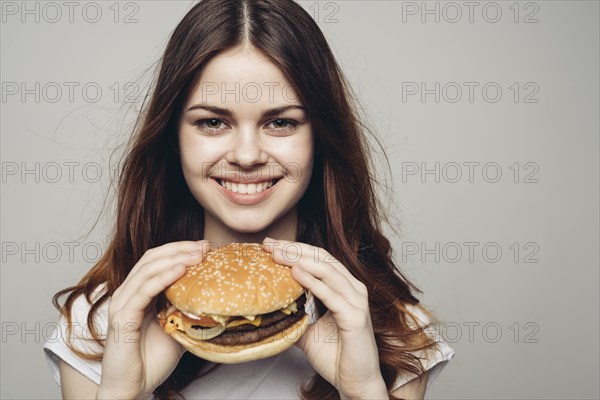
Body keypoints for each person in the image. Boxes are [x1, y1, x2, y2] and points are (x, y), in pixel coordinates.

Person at [44, 0, 455, 399]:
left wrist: (363, 391)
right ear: (173, 136)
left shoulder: (394, 332)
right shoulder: (99, 326)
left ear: (320, 137)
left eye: (280, 122)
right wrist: (121, 393)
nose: (245, 156)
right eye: (212, 122)